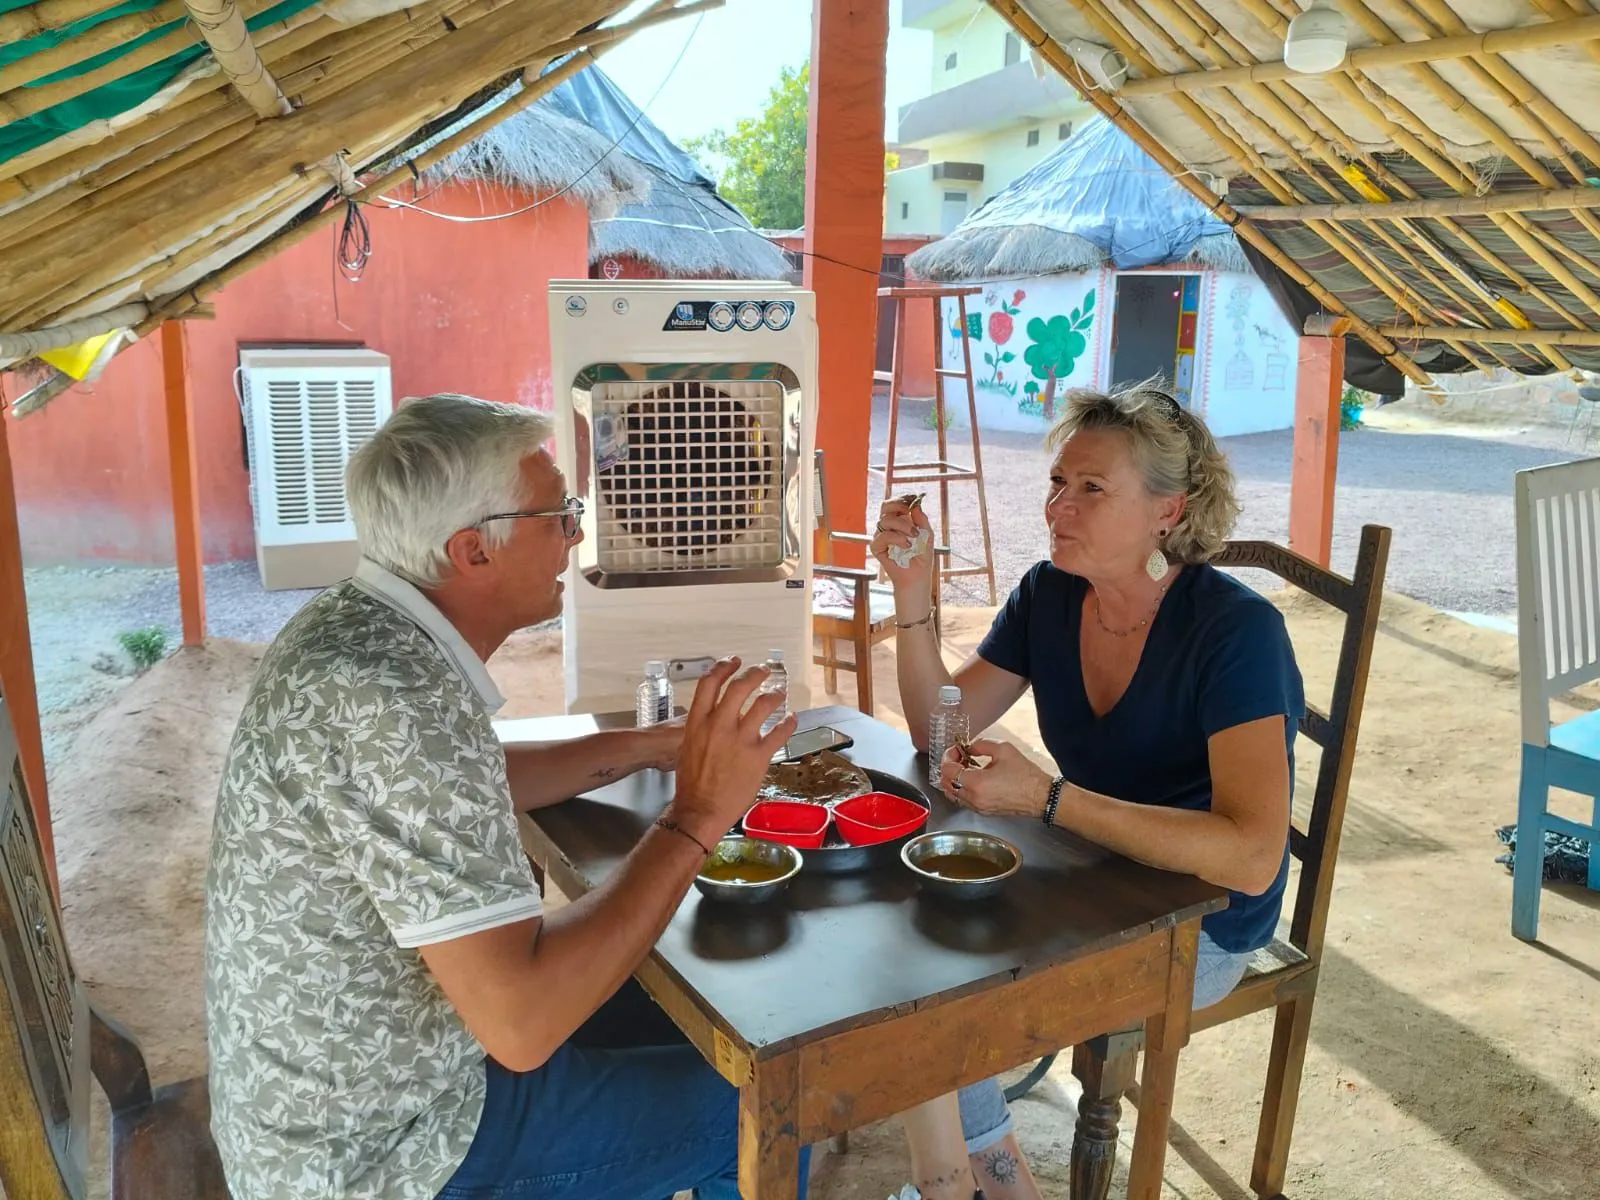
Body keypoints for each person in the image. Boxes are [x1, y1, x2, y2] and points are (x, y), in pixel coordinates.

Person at [203, 393, 802, 1200]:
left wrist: (656, 747)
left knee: (692, 1009)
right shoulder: (391, 697)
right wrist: (697, 812)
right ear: (471, 552)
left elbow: (473, 785)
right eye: (558, 514)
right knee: (759, 1110)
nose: (577, 533)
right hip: (388, 1151)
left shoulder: (357, 630)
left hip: (350, 1092)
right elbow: (523, 1026)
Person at [869, 383, 1305, 1200]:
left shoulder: (1236, 634)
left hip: (1199, 923)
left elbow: (1250, 858)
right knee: (907, 936)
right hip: (1086, 881)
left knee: (932, 994)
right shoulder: (1051, 593)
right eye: (1057, 484)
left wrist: (1049, 801)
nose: (1057, 507)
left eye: (1091, 489)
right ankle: (995, 1176)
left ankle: (976, 1181)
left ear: (1168, 512)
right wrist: (910, 595)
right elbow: (938, 731)